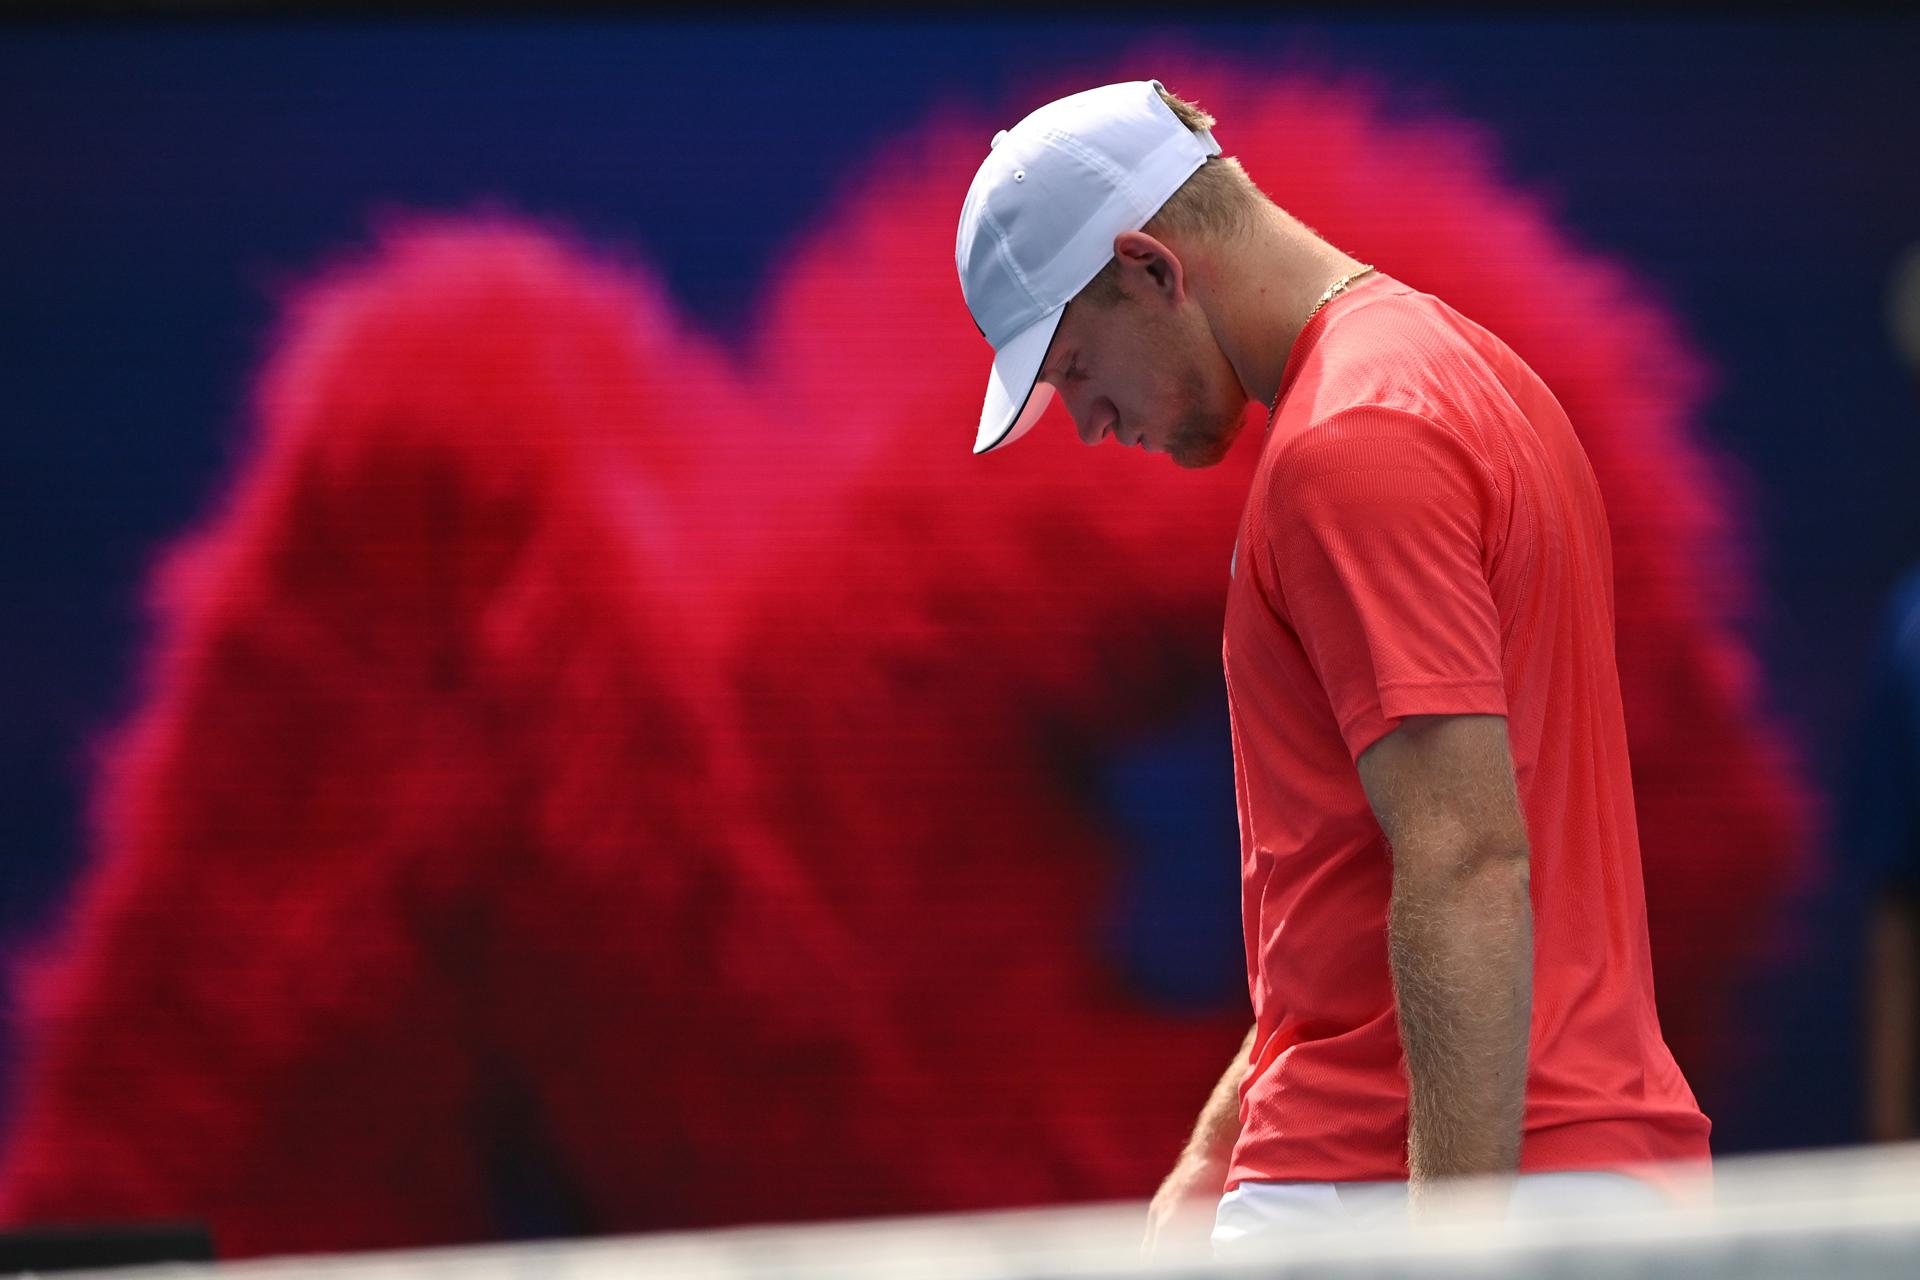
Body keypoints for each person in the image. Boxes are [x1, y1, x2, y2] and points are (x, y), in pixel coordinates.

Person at [953, 79, 1712, 1255]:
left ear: (1152, 269)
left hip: (1394, 1192)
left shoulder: (1351, 442)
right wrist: (1215, 1152)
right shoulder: (1463, 375)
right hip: (1564, 1164)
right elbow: (1360, 891)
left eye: (1072, 366)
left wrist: (1445, 1247)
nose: (1090, 420)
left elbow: (1464, 860)